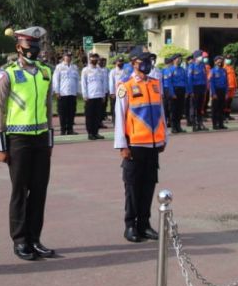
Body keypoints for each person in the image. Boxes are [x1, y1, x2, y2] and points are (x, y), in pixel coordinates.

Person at [0, 26, 56, 261]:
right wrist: (0, 145)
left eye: (37, 45)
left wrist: (50, 140)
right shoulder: (7, 74)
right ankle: (20, 240)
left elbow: (49, 108)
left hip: (41, 138)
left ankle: (34, 239)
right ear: (19, 47)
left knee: (39, 191)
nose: (34, 50)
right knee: (20, 190)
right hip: (18, 139)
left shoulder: (45, 72)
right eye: (30, 46)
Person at [114, 46, 167, 242]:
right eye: (143, 60)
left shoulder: (155, 84)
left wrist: (164, 137)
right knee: (132, 187)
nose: (147, 64)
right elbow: (119, 117)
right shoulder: (125, 86)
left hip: (152, 145)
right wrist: (122, 145)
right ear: (133, 63)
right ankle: (130, 226)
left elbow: (161, 112)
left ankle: (144, 224)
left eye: (149, 60)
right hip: (134, 145)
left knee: (148, 185)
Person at [81, 52, 108, 140]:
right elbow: (83, 84)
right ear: (90, 59)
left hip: (99, 95)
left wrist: (103, 94)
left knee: (97, 115)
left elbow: (103, 83)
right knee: (90, 116)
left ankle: (96, 132)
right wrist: (85, 95)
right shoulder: (85, 70)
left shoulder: (100, 70)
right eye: (93, 58)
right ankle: (90, 133)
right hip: (90, 96)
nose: (94, 60)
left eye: (96, 58)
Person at [52, 51, 80, 135]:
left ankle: (70, 129)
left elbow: (77, 80)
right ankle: (63, 130)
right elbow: (56, 80)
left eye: (70, 56)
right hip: (63, 93)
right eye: (66, 56)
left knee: (71, 112)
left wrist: (77, 91)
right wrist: (57, 91)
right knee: (62, 113)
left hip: (72, 93)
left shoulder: (74, 67)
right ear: (63, 57)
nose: (68, 58)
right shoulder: (59, 67)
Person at [188, 52, 208, 131]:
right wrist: (191, 91)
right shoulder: (191, 66)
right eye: (200, 56)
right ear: (196, 57)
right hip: (195, 88)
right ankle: (194, 124)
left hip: (202, 87)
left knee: (200, 106)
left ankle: (200, 123)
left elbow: (205, 77)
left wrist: (205, 87)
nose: (201, 58)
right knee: (194, 107)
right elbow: (189, 79)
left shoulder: (202, 65)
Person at [170, 55, 190, 133]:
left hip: (182, 90)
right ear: (174, 60)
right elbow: (169, 82)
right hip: (175, 90)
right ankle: (173, 127)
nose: (179, 60)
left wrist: (187, 91)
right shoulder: (170, 70)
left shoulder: (182, 70)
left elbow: (186, 81)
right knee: (174, 110)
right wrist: (172, 93)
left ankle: (178, 126)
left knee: (180, 109)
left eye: (180, 59)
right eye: (177, 59)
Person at [208, 56, 228, 130]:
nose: (220, 62)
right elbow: (211, 83)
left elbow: (226, 82)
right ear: (215, 62)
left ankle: (221, 124)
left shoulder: (224, 70)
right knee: (215, 109)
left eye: (221, 61)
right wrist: (213, 93)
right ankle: (214, 124)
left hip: (223, 91)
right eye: (218, 61)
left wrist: (226, 93)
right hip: (216, 91)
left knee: (222, 108)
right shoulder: (212, 71)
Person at [223, 56, 237, 121]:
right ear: (224, 60)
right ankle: (224, 115)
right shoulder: (223, 68)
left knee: (229, 102)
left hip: (232, 87)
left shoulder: (231, 67)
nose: (228, 60)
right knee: (225, 102)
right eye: (227, 59)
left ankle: (228, 115)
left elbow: (234, 77)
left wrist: (235, 85)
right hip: (227, 87)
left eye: (229, 59)